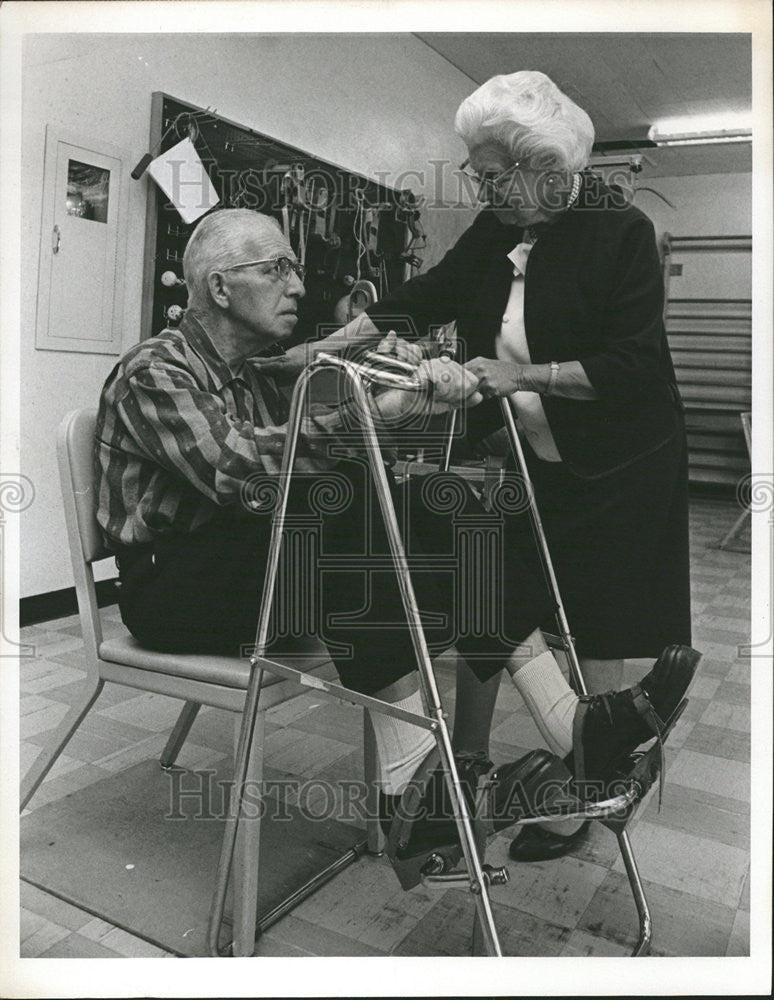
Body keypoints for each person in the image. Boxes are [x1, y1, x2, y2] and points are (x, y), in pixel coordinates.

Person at [95, 208, 697, 884]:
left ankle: (566, 728)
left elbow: (327, 461)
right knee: (346, 512)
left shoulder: (258, 374)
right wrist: (366, 412)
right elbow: (238, 470)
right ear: (218, 287)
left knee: (431, 501)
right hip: (170, 590)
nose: (298, 285)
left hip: (254, 576)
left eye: (295, 267)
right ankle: (419, 786)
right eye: (277, 269)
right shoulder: (154, 370)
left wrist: (404, 386)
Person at [256, 71, 695, 863]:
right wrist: (328, 346)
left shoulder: (619, 230)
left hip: (625, 454)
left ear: (547, 168)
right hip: (535, 453)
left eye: (492, 174)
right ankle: (484, 759)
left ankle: (587, 791)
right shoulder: (497, 229)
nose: (480, 188)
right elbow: (427, 295)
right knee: (496, 575)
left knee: (600, 610)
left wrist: (518, 374)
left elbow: (634, 368)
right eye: (476, 173)